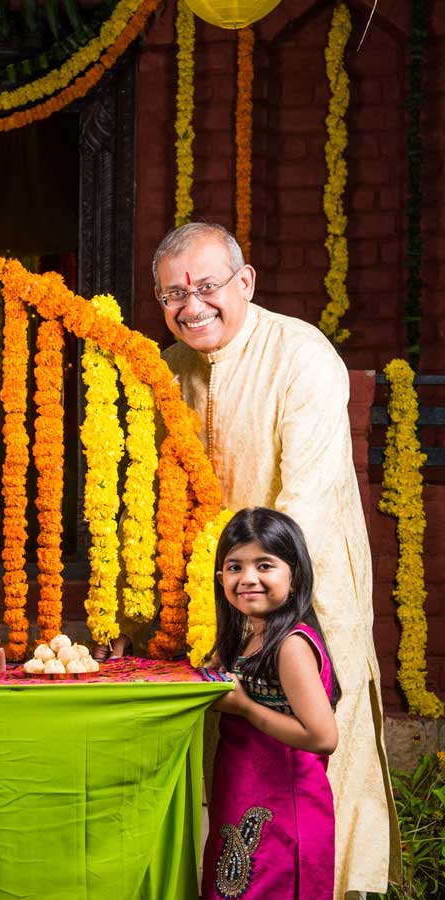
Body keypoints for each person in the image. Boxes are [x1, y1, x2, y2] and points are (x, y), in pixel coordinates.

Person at [146, 221, 396, 897]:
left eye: (207, 286)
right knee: (233, 777)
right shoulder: (166, 370)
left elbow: (303, 500)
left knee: (310, 775)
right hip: (214, 604)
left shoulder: (301, 355)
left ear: (246, 282)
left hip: (300, 596)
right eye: (173, 294)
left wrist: (258, 602)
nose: (192, 306)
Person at [202, 507, 339, 900]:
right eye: (235, 567)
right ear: (221, 579)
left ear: (294, 575)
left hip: (284, 816)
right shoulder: (251, 639)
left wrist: (245, 707)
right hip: (243, 798)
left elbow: (323, 737)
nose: (248, 578)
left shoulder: (290, 645)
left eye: (264, 565)